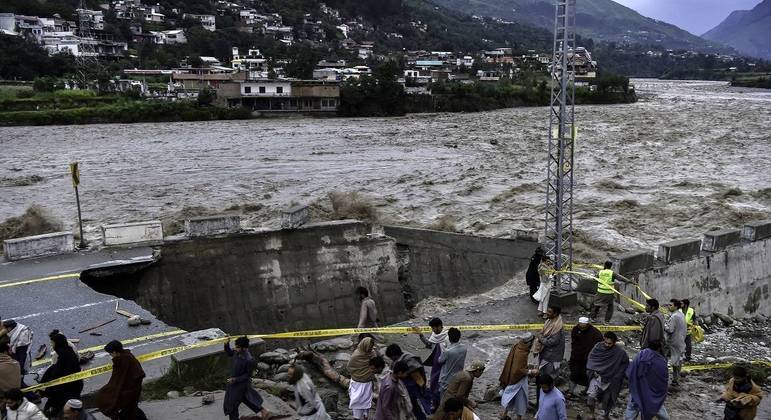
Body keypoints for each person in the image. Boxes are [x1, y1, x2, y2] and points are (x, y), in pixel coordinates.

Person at [95, 340, 146, 420]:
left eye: (110, 353)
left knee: (126, 407)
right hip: (130, 388)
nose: (111, 355)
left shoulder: (124, 361)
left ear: (115, 352)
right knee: (130, 408)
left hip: (130, 389)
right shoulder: (125, 356)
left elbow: (123, 378)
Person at [586, 332, 630, 420]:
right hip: (597, 377)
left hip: (610, 380)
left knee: (607, 401)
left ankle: (605, 415)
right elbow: (591, 359)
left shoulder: (619, 352)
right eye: (605, 342)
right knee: (590, 399)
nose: (607, 345)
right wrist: (593, 370)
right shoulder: (598, 347)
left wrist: (617, 375)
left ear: (614, 342)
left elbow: (625, 363)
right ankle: (592, 413)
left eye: (610, 343)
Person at [222, 336, 268, 420]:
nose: (236, 348)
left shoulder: (249, 360)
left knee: (232, 404)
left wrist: (235, 379)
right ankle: (263, 411)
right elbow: (229, 353)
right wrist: (226, 344)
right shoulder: (237, 352)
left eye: (238, 347)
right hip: (235, 383)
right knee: (246, 399)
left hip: (240, 385)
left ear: (244, 348)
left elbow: (248, 375)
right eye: (236, 346)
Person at [624, 340, 670, 420]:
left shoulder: (640, 355)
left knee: (631, 410)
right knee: (658, 408)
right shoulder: (661, 361)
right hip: (652, 395)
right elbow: (663, 380)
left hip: (637, 390)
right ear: (659, 348)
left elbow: (630, 371)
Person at [40, 333, 83, 418]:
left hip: (66, 391)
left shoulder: (64, 356)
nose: (51, 345)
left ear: (58, 343)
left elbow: (60, 375)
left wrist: (48, 389)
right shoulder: (66, 352)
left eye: (52, 343)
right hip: (68, 389)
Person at [386, 344, 430, 420]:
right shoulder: (399, 359)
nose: (391, 360)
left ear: (395, 355)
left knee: (414, 406)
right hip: (405, 386)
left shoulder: (408, 359)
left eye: (391, 357)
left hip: (412, 387)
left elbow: (416, 370)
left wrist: (406, 374)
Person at [499, 333, 537, 420]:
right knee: (521, 400)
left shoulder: (516, 346)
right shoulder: (522, 353)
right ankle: (518, 418)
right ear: (529, 342)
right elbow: (520, 370)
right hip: (518, 380)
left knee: (510, 397)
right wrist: (531, 371)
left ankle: (504, 415)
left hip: (511, 377)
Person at [415, 317, 449, 410]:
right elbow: (429, 344)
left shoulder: (447, 336)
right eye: (432, 328)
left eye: (435, 328)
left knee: (443, 384)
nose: (433, 330)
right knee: (434, 383)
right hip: (436, 365)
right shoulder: (434, 335)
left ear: (440, 326)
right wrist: (421, 335)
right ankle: (435, 403)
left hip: (445, 364)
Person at [568, 317, 604, 397]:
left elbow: (600, 345)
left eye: (583, 325)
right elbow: (574, 342)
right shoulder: (575, 329)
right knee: (574, 374)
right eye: (580, 325)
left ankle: (587, 391)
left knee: (587, 376)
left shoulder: (595, 332)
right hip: (576, 357)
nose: (581, 326)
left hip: (588, 359)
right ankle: (570, 391)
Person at [533, 306, 565, 384]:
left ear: (555, 314)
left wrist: (540, 337)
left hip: (551, 357)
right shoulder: (549, 321)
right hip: (545, 354)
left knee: (549, 377)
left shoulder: (557, 327)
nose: (547, 313)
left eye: (549, 312)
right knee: (543, 374)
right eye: (547, 311)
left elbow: (552, 342)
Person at [347, 337, 377, 419]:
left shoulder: (372, 353)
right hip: (357, 384)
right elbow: (350, 367)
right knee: (357, 403)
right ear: (364, 345)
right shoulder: (356, 356)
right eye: (368, 347)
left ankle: (365, 416)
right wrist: (359, 374)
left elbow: (375, 366)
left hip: (367, 384)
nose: (370, 349)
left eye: (371, 347)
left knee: (366, 404)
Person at [438, 328, 466, 400]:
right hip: (458, 377)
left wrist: (443, 348)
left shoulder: (448, 351)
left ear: (449, 338)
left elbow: (440, 361)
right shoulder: (464, 348)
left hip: (446, 379)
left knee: (444, 400)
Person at [664, 299, 686, 386]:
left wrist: (664, 325)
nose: (669, 307)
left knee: (671, 360)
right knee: (677, 360)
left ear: (676, 306)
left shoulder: (674, 317)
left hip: (673, 341)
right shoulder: (681, 314)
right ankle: (675, 378)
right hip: (680, 340)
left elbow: (670, 329)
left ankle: (672, 379)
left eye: (671, 305)